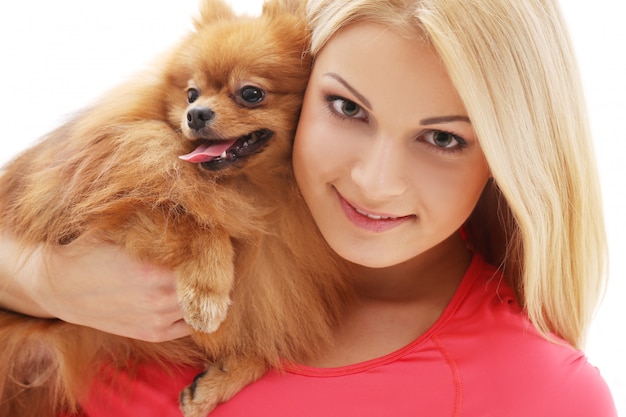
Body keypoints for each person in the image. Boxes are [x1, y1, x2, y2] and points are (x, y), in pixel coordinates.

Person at [0, 0, 617, 415]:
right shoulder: (172, 214)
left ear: (514, 157)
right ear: (307, 82)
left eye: (443, 138)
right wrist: (42, 282)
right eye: (348, 109)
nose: (375, 182)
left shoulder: (535, 389)